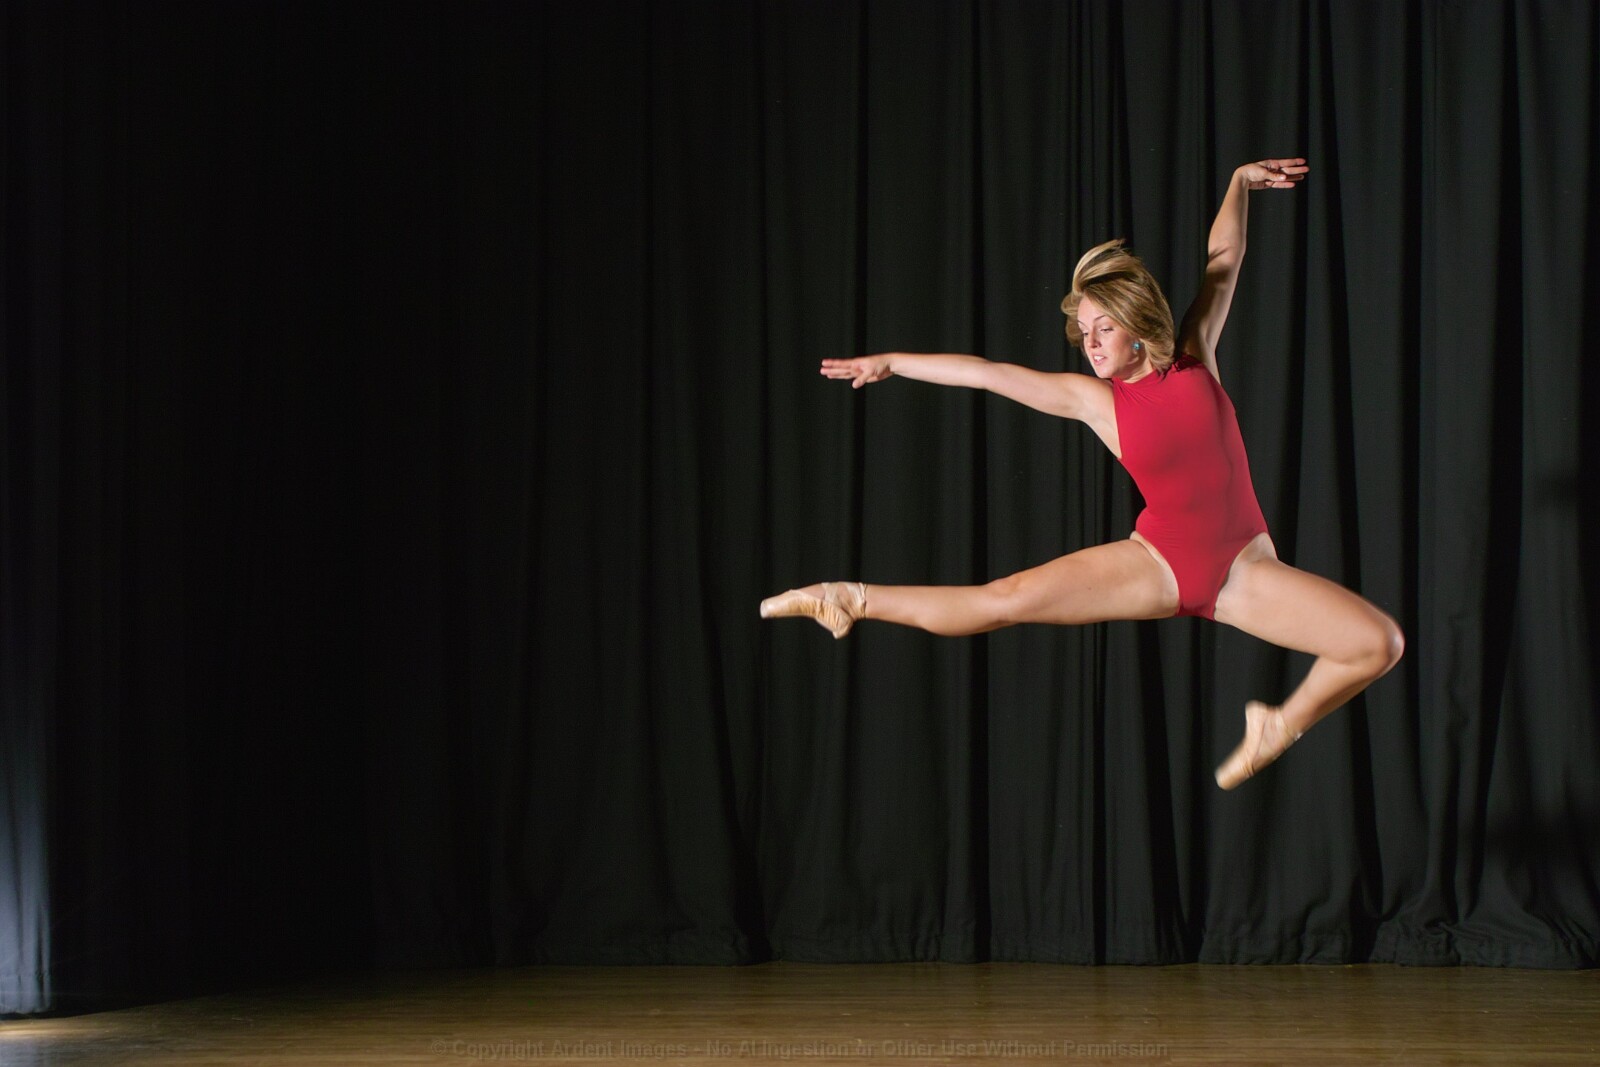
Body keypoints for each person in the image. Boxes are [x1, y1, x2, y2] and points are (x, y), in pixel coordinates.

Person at [759, 158, 1404, 790]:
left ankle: (1277, 725)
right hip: (1158, 562)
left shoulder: (1194, 354)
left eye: (1104, 327)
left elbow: (1223, 259)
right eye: (1084, 329)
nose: (1090, 342)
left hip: (1243, 571)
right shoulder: (1098, 403)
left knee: (1379, 643)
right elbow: (989, 375)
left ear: (1137, 328)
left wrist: (1239, 182)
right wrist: (893, 362)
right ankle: (850, 598)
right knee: (1004, 600)